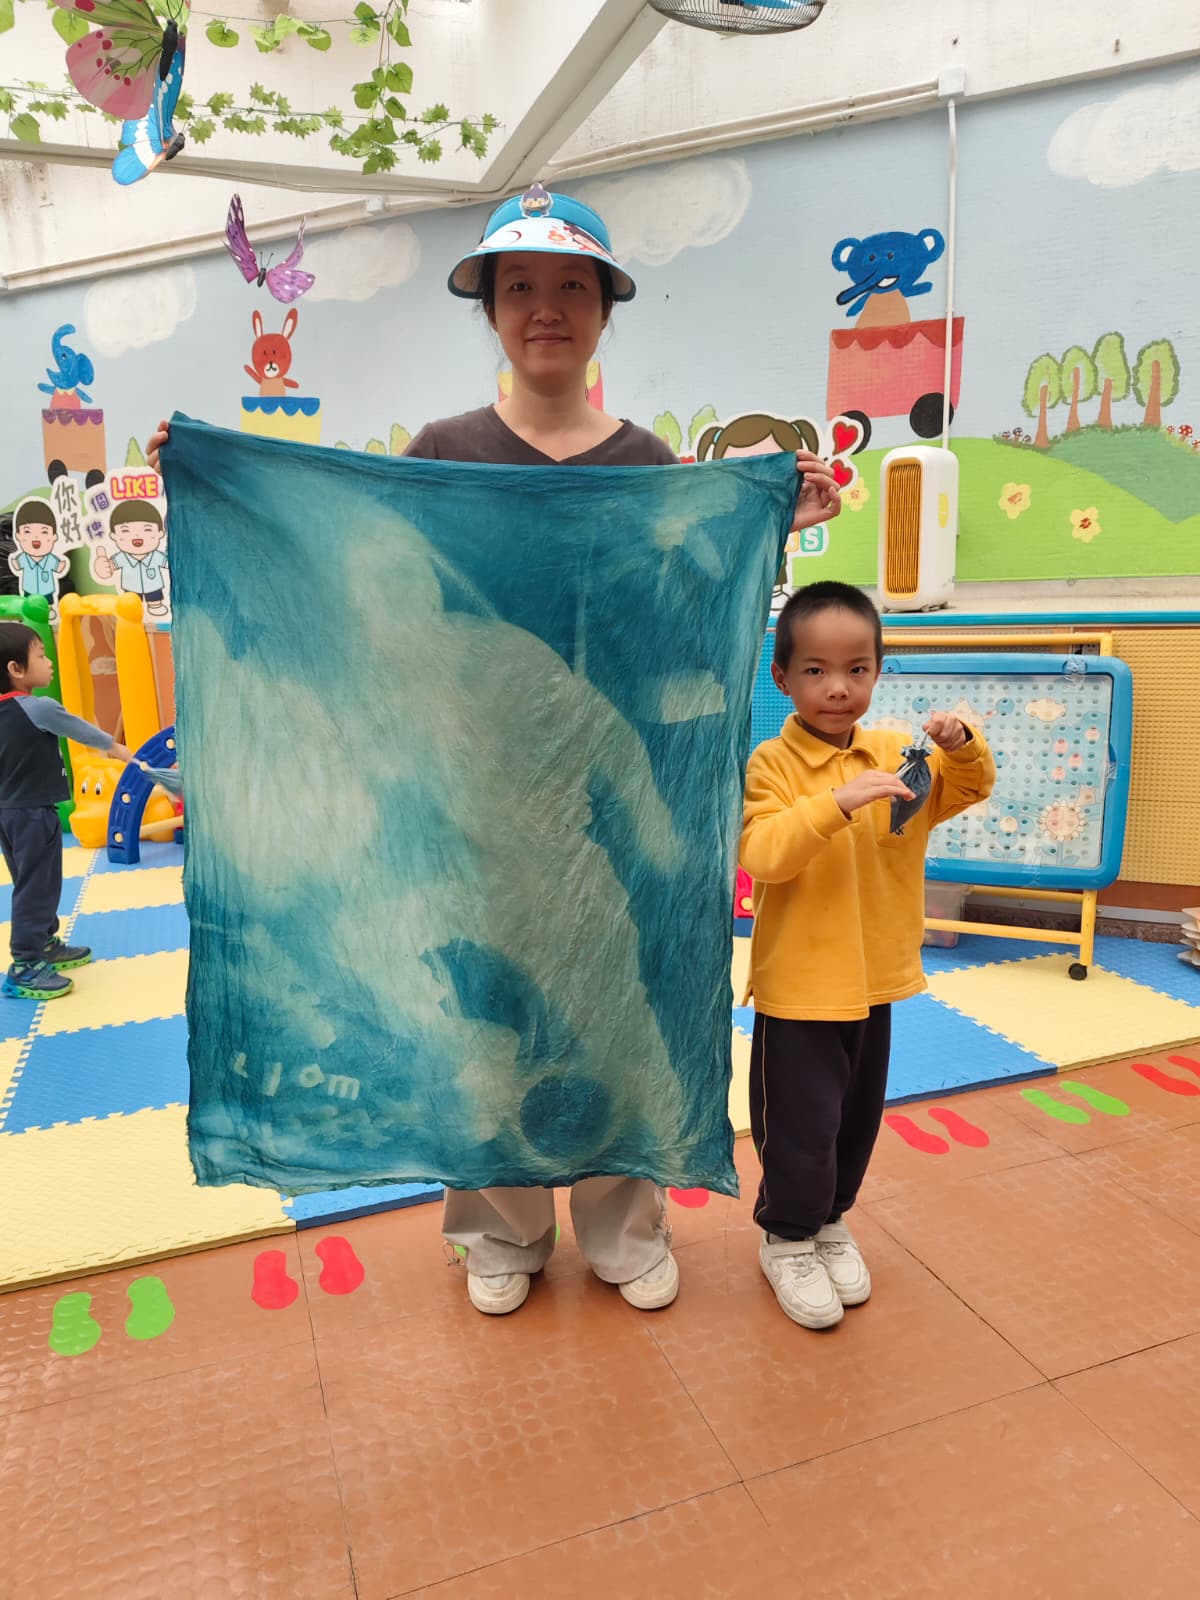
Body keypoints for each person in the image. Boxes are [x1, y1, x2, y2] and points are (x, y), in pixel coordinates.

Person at [147, 182, 843, 1317]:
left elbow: (679, 608)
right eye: (520, 287)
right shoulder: (445, 453)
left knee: (620, 996)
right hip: (467, 794)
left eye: (571, 286)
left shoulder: (645, 460)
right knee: (484, 1012)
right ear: (491, 309)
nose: (545, 308)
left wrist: (767, 522)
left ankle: (623, 1223)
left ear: (606, 308)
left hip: (597, 788)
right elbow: (354, 582)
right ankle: (500, 1227)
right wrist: (222, 486)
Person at [738, 581, 995, 1330]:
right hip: (799, 990)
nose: (838, 688)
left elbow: (967, 789)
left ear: (878, 672)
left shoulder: (894, 754)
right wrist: (837, 803)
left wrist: (962, 745)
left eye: (857, 669)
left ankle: (830, 1221)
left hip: (875, 979)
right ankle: (788, 1238)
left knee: (856, 1120)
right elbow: (764, 853)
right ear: (782, 678)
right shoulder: (770, 764)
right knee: (800, 1127)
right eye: (815, 670)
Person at [0, 623, 134, 1001]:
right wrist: (116, 748)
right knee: (37, 887)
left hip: (9, 813)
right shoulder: (38, 707)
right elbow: (76, 728)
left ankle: (42, 944)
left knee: (31, 882)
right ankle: (25, 965)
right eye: (41, 655)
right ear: (16, 669)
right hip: (32, 814)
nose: (49, 662)